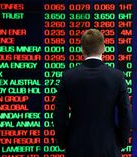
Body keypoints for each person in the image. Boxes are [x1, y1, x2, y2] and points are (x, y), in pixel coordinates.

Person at [54, 29, 132, 157]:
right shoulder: (117, 76)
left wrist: (63, 143)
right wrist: (121, 143)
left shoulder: (68, 77)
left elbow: (59, 115)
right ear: (103, 48)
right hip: (108, 148)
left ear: (82, 50)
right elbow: (126, 114)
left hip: (76, 148)